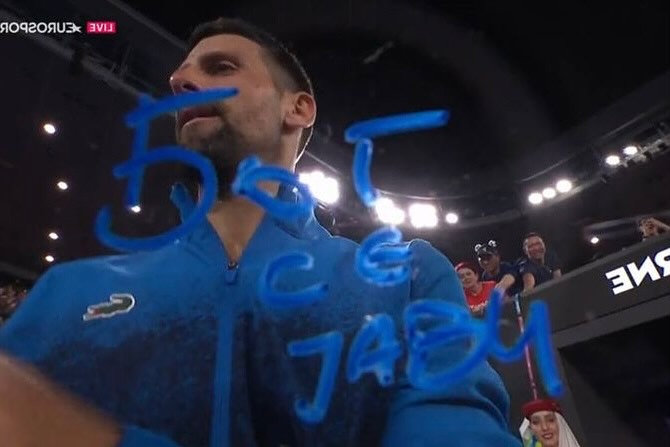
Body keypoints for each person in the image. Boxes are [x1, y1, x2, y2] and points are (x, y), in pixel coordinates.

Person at [0, 17, 520, 447]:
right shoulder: (65, 294)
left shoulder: (409, 279)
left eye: (220, 67)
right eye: (180, 75)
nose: (179, 82)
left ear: (298, 108)